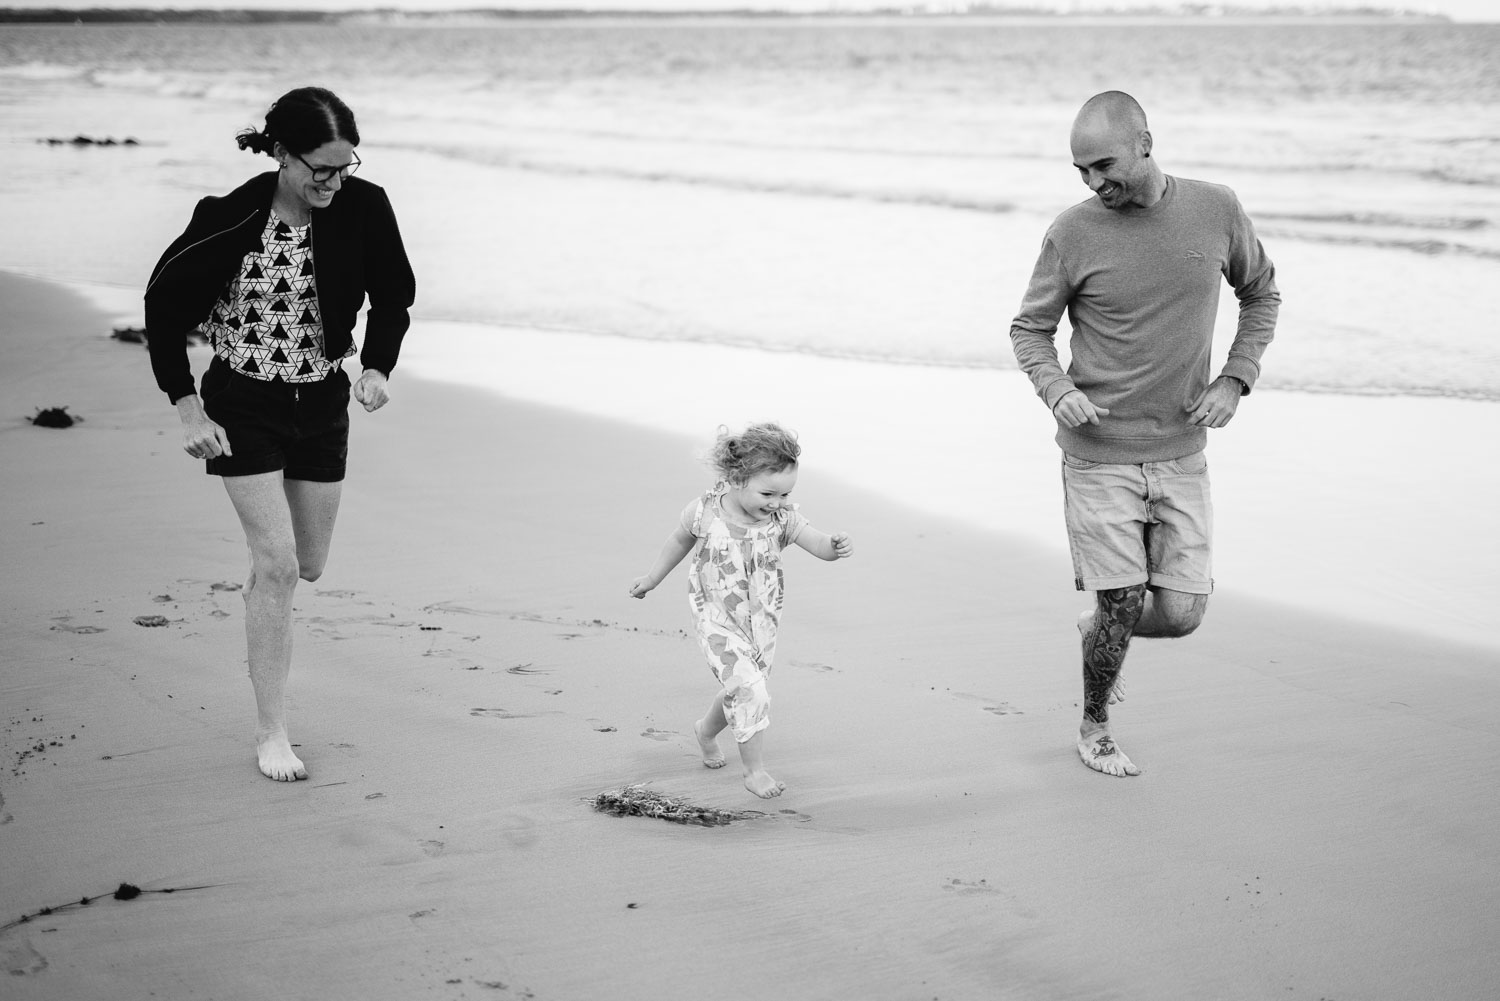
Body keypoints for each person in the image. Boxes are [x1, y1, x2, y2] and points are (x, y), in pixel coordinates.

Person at [144, 87, 416, 781]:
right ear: (281, 154)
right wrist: (187, 407)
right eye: (319, 169)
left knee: (310, 562)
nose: (332, 182)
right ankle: (272, 732)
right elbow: (163, 303)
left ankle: (268, 589)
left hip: (322, 401)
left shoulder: (365, 205)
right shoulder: (230, 214)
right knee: (278, 566)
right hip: (244, 405)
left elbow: (394, 294)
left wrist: (378, 366)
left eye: (344, 166)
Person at [1009, 91, 1280, 777]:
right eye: (1081, 172)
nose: (1094, 183)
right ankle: (1094, 724)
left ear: (1145, 143)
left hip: (1183, 450)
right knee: (1125, 597)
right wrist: (1058, 389)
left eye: (1103, 165)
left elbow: (1262, 293)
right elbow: (1029, 328)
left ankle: (1100, 627)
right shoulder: (1072, 233)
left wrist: (1235, 378)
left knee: (1184, 611)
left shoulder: (1216, 209)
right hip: (1098, 458)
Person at [628, 423, 853, 798]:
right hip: (715, 618)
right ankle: (754, 771)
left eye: (785, 494)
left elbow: (818, 546)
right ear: (736, 478)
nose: (777, 502)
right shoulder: (704, 512)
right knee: (751, 690)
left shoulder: (782, 521)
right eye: (768, 493)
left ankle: (705, 730)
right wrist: (653, 577)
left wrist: (835, 545)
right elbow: (678, 541)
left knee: (741, 686)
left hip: (762, 623)